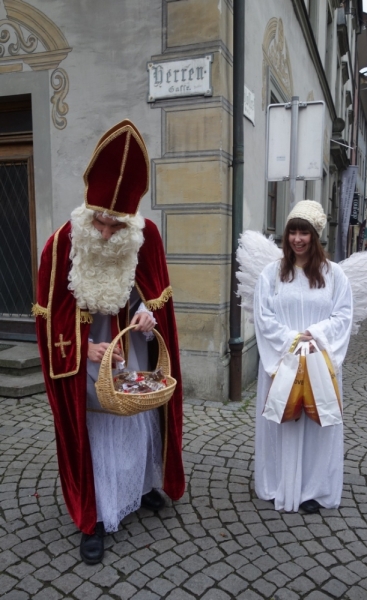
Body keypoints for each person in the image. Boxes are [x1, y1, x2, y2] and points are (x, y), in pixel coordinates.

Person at [34, 120, 185, 564]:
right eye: (99, 220)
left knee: (136, 421)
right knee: (95, 431)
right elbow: (47, 319)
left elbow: (157, 294)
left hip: (131, 349)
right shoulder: (61, 245)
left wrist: (147, 312)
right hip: (85, 357)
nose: (104, 233)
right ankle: (93, 516)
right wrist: (83, 350)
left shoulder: (146, 236)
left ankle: (138, 490)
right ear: (88, 207)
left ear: (131, 220)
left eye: (115, 225)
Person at [254, 200, 353, 514]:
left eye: (304, 232)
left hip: (317, 361)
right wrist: (291, 340)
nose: (298, 238)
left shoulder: (334, 275)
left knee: (316, 422)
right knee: (283, 419)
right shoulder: (271, 274)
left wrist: (315, 335)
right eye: (293, 232)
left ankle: (313, 487)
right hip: (282, 360)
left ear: (316, 235)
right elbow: (263, 316)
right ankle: (278, 482)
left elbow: (343, 316)